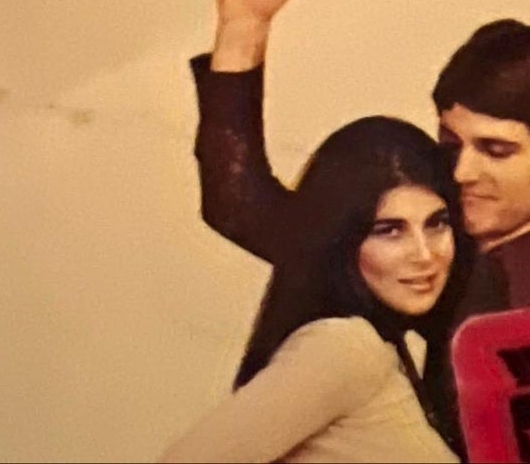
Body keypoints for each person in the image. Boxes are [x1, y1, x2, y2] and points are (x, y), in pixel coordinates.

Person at [189, 0, 530, 440]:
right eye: (452, 144)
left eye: (496, 151)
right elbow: (242, 207)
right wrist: (244, 25)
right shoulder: (447, 258)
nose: (461, 172)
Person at [162, 115, 468, 462]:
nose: (425, 255)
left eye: (437, 224)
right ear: (343, 239)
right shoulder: (345, 348)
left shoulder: (375, 348)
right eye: (389, 230)